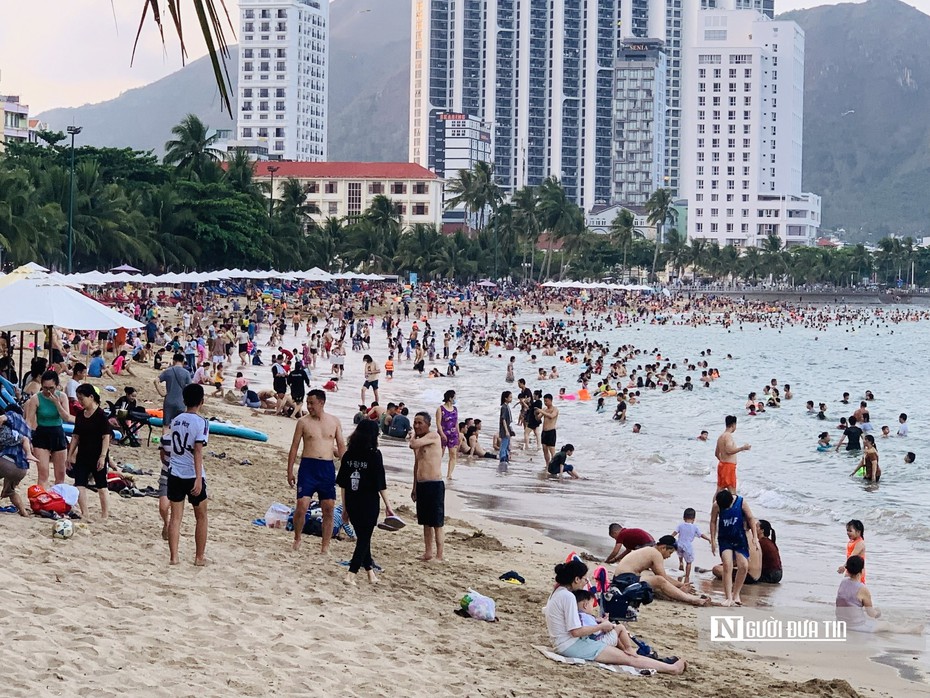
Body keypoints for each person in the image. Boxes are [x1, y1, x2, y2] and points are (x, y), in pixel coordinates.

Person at [543, 559, 686, 674]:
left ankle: (657, 661)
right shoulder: (567, 596)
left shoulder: (557, 592)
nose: (586, 583)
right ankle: (672, 669)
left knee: (623, 652)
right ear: (576, 579)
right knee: (627, 659)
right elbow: (575, 631)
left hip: (563, 643)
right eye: (584, 579)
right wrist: (601, 626)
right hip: (571, 645)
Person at [287, 389, 346, 554]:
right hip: (308, 467)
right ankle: (297, 537)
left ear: (322, 402)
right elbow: (294, 447)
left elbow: (341, 446)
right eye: (307, 403)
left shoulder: (334, 422)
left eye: (312, 403)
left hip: (326, 468)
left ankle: (325, 546)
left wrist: (347, 467)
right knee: (302, 505)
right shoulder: (303, 422)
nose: (309, 406)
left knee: (328, 507)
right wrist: (290, 470)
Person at [337, 419, 394, 585]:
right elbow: (380, 484)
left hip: (353, 501)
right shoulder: (375, 455)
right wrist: (388, 506)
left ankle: (370, 573)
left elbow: (344, 484)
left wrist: (345, 508)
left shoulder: (348, 455)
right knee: (364, 539)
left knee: (363, 536)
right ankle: (351, 574)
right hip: (369, 502)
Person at [166, 384, 210, 566]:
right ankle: (199, 557)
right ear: (202, 401)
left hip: (175, 472)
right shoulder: (201, 423)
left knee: (176, 517)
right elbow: (198, 451)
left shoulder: (175, 420)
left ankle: (174, 557)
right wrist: (199, 478)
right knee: (201, 516)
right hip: (192, 474)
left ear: (184, 400)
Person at [614, 537, 710, 606]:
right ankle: (691, 599)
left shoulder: (651, 551)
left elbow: (665, 578)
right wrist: (680, 587)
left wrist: (680, 585)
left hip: (621, 580)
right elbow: (662, 579)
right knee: (659, 580)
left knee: (657, 582)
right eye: (670, 552)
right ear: (663, 547)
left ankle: (680, 595)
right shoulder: (656, 554)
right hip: (625, 580)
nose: (669, 556)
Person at [67, 383, 114, 521]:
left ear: (91, 397)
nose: (80, 401)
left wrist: (103, 456)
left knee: (101, 485)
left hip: (97, 454)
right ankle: (85, 513)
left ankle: (105, 515)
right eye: (78, 399)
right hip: (82, 454)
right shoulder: (81, 415)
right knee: (80, 483)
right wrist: (69, 455)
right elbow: (76, 436)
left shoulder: (100, 415)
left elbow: (106, 438)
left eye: (82, 398)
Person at [24, 370, 73, 488]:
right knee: (43, 473)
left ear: (57, 386)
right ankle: (42, 500)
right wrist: (27, 439)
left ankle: (57, 501)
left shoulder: (62, 396)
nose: (48, 391)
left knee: (60, 475)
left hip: (58, 433)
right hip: (42, 434)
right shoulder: (36, 398)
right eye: (45, 388)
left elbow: (66, 417)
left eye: (51, 388)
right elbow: (29, 421)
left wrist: (57, 404)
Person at [710, 489, 757, 607]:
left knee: (743, 566)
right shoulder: (717, 504)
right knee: (727, 565)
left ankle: (736, 594)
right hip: (724, 539)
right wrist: (712, 540)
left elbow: (751, 518)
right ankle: (728, 597)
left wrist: (755, 537)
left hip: (739, 538)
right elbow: (713, 522)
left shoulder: (741, 502)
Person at [410, 411, 444, 561]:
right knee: (425, 521)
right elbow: (417, 465)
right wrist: (414, 487)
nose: (416, 426)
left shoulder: (433, 436)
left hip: (434, 484)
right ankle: (428, 552)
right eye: (415, 423)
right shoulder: (420, 441)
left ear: (428, 424)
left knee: (436, 522)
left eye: (420, 423)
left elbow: (413, 444)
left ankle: (439, 554)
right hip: (422, 484)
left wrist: (412, 435)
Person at [0, 408, 34, 515]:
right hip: (22, 469)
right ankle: (24, 512)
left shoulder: (9, 421)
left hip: (7, 464)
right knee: (11, 491)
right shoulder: (27, 428)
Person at [672, 508, 711, 585]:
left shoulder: (680, 525)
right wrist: (708, 539)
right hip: (688, 546)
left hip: (679, 544)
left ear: (684, 518)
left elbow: (675, 533)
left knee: (680, 554)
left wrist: (669, 537)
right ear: (694, 519)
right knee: (689, 562)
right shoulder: (695, 527)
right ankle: (687, 576)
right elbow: (701, 535)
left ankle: (680, 562)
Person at [714, 415, 750, 494]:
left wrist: (723, 460)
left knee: (719, 490)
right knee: (732, 492)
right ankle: (733, 506)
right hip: (728, 467)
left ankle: (714, 506)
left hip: (722, 465)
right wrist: (742, 448)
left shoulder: (721, 436)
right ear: (733, 425)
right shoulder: (728, 436)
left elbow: (716, 453)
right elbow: (729, 450)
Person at [436, 390, 459, 481]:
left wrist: (458, 433)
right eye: (454, 397)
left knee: (453, 455)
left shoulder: (455, 409)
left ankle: (449, 475)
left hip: (453, 434)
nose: (455, 399)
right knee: (439, 454)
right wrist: (441, 434)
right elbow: (438, 423)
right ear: (450, 398)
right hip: (443, 433)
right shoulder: (440, 409)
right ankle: (437, 471)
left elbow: (456, 422)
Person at [538, 394, 560, 468]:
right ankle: (547, 464)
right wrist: (536, 412)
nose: (545, 403)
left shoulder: (555, 409)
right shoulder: (544, 409)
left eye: (546, 401)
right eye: (544, 401)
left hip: (551, 432)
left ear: (551, 400)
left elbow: (551, 416)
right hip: (544, 432)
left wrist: (541, 411)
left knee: (552, 450)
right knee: (544, 449)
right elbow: (538, 418)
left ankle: (554, 465)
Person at [499, 391, 515, 475]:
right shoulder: (504, 407)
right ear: (506, 398)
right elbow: (503, 419)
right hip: (505, 429)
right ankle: (503, 459)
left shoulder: (506, 406)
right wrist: (506, 430)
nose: (511, 399)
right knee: (504, 445)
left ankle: (505, 459)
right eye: (510, 397)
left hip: (507, 428)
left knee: (506, 444)